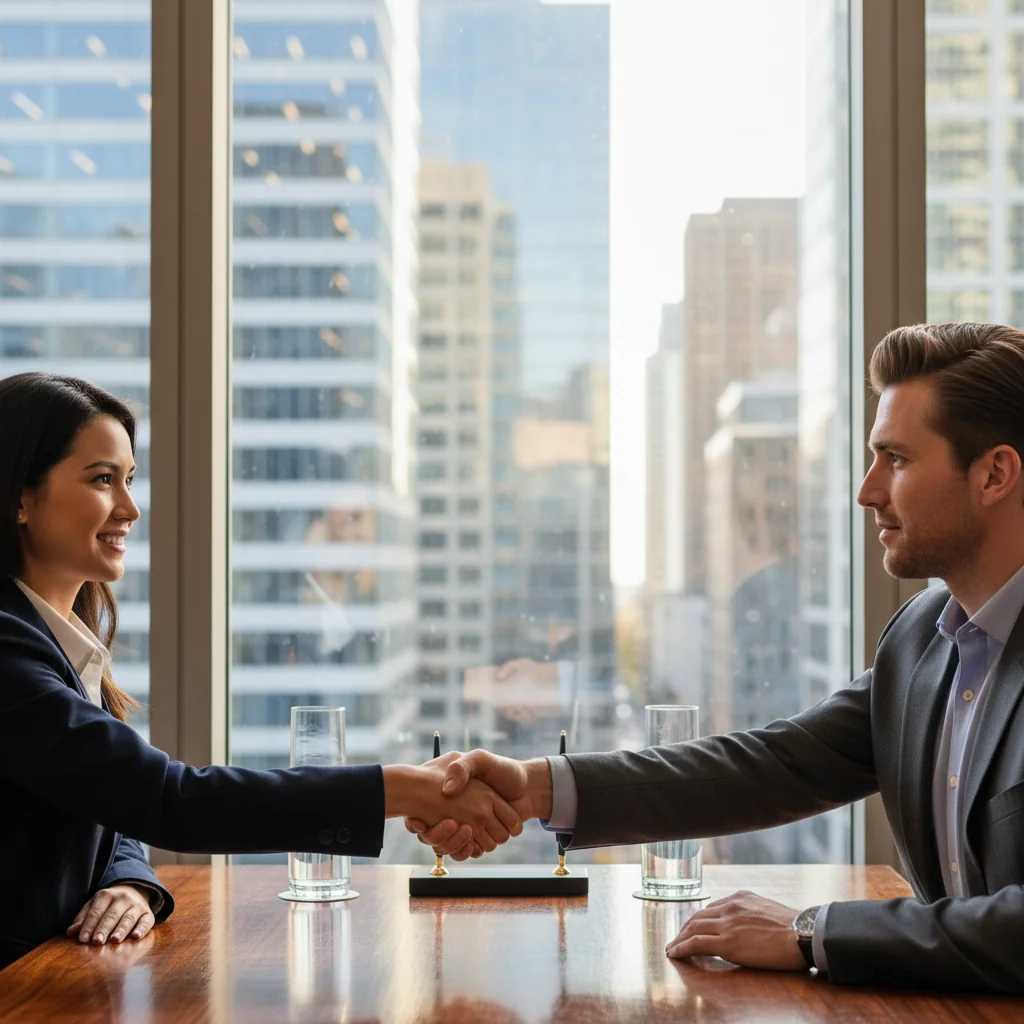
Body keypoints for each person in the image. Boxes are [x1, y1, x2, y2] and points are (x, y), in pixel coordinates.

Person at [410, 322, 1024, 992]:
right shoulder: (920, 640)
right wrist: (531, 788)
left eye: (897, 459)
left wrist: (810, 931)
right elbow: (775, 765)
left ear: (994, 473)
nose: (867, 491)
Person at [0, 372, 521, 970]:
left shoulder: (62, 643)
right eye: (102, 480)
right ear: (18, 494)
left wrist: (130, 882)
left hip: (61, 976)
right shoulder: (7, 647)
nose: (130, 507)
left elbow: (108, 803)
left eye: (130, 479)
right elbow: (168, 799)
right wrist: (408, 788)